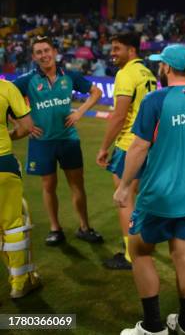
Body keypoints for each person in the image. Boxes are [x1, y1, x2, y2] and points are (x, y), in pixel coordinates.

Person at [115, 45, 185, 335]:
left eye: (161, 64)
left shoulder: (155, 100)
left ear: (167, 68)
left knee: (139, 250)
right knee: (183, 254)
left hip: (158, 195)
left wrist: (123, 186)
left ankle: (153, 326)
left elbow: (139, 146)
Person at [13, 36, 104, 246]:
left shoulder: (69, 75)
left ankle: (84, 227)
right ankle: (55, 229)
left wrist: (80, 112)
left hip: (68, 140)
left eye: (46, 50)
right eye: (38, 52)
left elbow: (96, 92)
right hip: (42, 142)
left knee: (77, 185)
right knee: (48, 186)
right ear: (34, 57)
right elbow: (5, 96)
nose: (44, 55)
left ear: (54, 52)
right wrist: (23, 123)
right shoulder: (28, 80)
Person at [97, 32, 157, 270]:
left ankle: (131, 254)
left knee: (124, 199)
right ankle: (143, 243)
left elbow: (119, 116)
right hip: (147, 143)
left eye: (116, 48)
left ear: (131, 50)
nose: (112, 53)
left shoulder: (126, 73)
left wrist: (103, 147)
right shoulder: (148, 73)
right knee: (138, 196)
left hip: (128, 145)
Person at [0, 79, 40, 298]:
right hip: (3, 163)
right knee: (12, 225)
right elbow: (27, 127)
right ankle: (19, 284)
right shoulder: (6, 88)